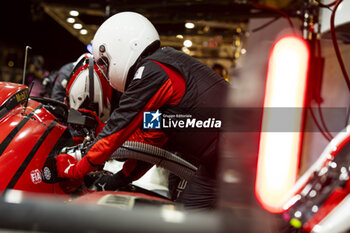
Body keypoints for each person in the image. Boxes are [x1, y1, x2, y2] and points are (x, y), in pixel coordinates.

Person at [55, 12, 230, 210]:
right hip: (225, 154)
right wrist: (113, 182)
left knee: (187, 217)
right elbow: (151, 143)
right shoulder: (161, 68)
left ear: (124, 45)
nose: (104, 68)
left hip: (239, 146)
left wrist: (76, 167)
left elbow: (118, 128)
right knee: (185, 209)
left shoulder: (152, 71)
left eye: (104, 61)